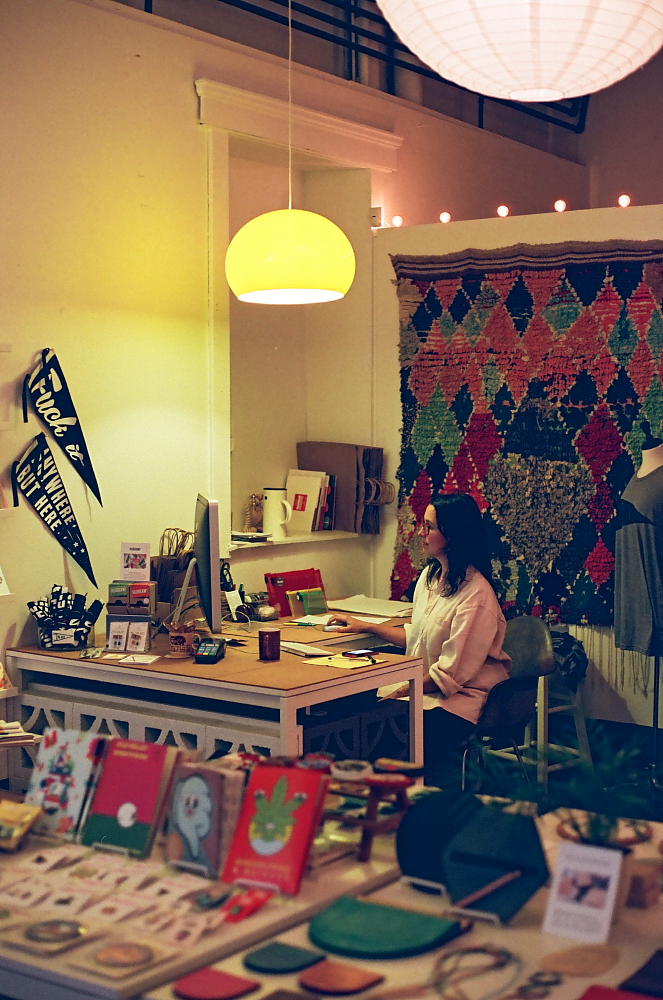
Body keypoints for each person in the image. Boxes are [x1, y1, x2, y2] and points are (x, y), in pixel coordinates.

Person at [328, 491, 511, 785]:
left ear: (452, 535)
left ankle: (397, 796)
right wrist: (366, 626)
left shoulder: (477, 596)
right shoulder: (429, 578)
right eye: (422, 525)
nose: (421, 534)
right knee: (346, 710)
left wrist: (398, 689)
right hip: (423, 691)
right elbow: (418, 637)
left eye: (429, 527)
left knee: (377, 722)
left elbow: (449, 675)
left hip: (457, 704)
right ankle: (361, 792)